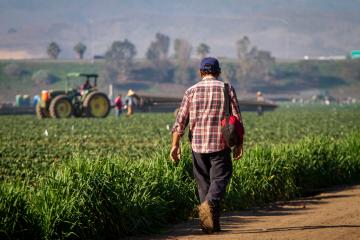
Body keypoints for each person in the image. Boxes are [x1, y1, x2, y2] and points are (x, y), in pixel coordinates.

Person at [170, 57, 244, 234]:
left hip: (197, 145)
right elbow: (237, 119)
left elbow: (180, 121)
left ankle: (209, 226)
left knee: (203, 184)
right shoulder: (227, 89)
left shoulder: (191, 91)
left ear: (201, 72)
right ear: (218, 72)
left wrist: (175, 145)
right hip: (220, 143)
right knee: (221, 178)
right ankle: (209, 206)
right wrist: (239, 144)